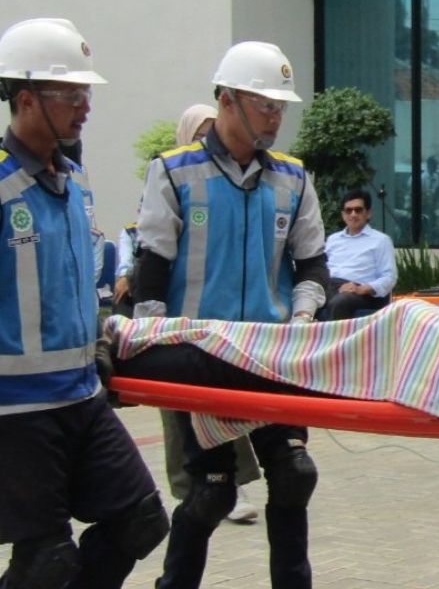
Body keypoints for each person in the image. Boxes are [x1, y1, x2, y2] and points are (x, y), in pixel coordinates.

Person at [133, 41, 329, 589]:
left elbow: (312, 263)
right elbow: (151, 272)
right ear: (227, 99)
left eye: (280, 107)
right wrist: (156, 350)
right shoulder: (174, 173)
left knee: (294, 476)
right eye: (265, 104)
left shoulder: (293, 178)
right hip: (198, 356)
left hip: (272, 354)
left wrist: (304, 317)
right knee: (212, 491)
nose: (276, 117)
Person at [0, 17, 169, 587]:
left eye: (86, 93)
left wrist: (100, 337)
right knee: (46, 561)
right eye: (71, 94)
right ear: (25, 99)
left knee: (140, 521)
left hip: (81, 395)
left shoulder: (76, 185)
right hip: (15, 411)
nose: (85, 106)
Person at [151, 104, 263, 525]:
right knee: (179, 414)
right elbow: (155, 253)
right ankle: (192, 489)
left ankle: (232, 485)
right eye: (199, 134)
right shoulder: (171, 180)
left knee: (227, 409)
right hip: (181, 322)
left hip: (225, 323)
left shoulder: (239, 185)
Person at [323, 188, 397, 320]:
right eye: (348, 210)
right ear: (343, 214)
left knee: (340, 302)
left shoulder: (381, 240)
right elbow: (322, 267)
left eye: (358, 210)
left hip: (361, 292)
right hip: (330, 287)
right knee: (305, 300)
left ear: (368, 213)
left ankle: (340, 340)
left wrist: (361, 289)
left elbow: (389, 277)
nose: (353, 214)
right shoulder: (333, 239)